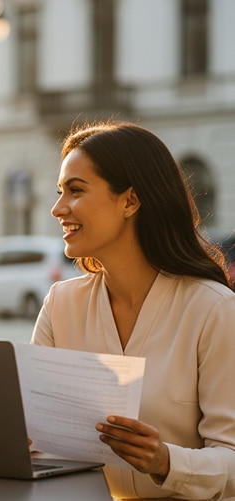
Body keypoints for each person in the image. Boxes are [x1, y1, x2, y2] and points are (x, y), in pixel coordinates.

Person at [32, 121, 235, 500]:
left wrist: (164, 461)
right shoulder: (61, 304)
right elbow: (39, 441)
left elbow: (232, 460)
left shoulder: (214, 310)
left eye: (75, 191)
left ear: (130, 200)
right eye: (60, 192)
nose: (58, 208)